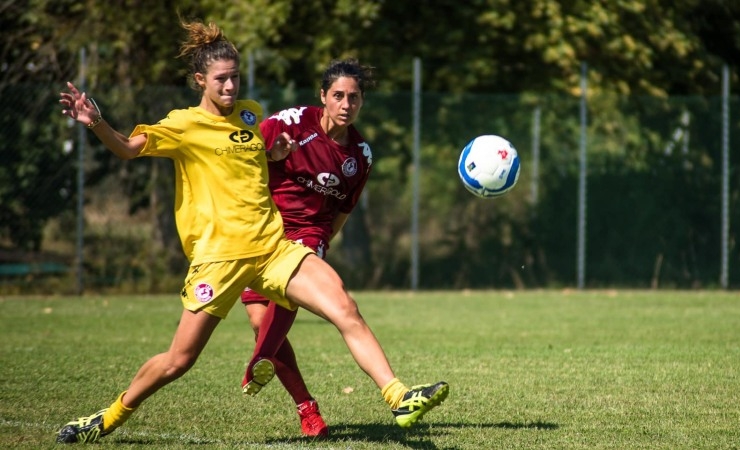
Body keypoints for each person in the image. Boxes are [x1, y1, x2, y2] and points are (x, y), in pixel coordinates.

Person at [55, 19, 448, 444]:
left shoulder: (251, 114)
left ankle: (398, 395)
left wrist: (272, 152)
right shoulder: (184, 125)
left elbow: (251, 160)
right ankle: (108, 417)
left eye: (235, 77)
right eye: (221, 79)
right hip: (218, 259)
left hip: (271, 247)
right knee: (178, 361)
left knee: (345, 309)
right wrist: (96, 123)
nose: (229, 86)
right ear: (200, 80)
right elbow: (129, 149)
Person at [239, 58, 374, 438]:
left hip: (309, 235)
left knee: (287, 299)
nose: (346, 104)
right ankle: (306, 405)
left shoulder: (360, 155)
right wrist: (270, 155)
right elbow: (242, 158)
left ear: (362, 101)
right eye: (338, 96)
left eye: (354, 97)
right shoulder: (289, 124)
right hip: (262, 232)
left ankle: (263, 363)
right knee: (256, 321)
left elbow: (344, 210)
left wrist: (319, 245)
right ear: (323, 96)